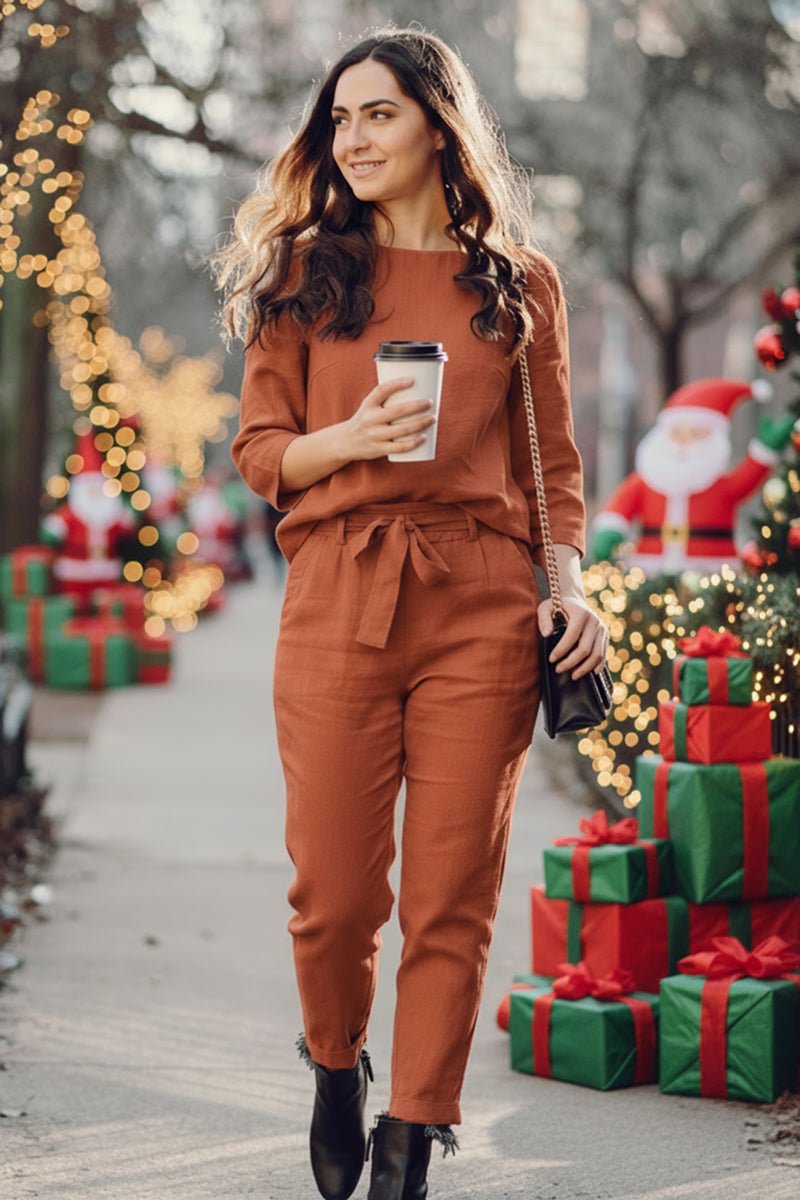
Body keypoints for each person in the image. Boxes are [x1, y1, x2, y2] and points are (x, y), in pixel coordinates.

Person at [211, 25, 609, 1200]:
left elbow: (555, 475)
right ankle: (335, 1064)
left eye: (377, 113)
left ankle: (407, 1139)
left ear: (438, 123)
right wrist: (347, 442)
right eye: (340, 119)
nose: (353, 137)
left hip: (481, 602)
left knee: (452, 889)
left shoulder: (519, 284)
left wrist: (568, 590)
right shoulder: (301, 273)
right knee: (333, 893)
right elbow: (257, 448)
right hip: (338, 589)